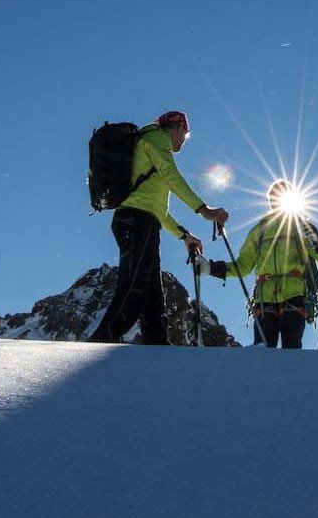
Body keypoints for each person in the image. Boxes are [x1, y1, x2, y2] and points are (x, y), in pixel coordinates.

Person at [90, 110, 229, 346]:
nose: (184, 139)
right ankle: (101, 340)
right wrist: (204, 209)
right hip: (137, 221)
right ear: (175, 127)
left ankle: (158, 347)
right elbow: (171, 174)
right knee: (136, 285)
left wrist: (184, 235)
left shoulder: (149, 152)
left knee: (152, 292)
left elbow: (159, 211)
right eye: (185, 132)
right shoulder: (155, 137)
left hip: (142, 220)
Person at [209, 181, 318, 348]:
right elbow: (244, 265)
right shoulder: (260, 230)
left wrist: (314, 238)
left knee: (286, 346)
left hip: (289, 295)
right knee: (268, 348)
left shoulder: (300, 227)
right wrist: (214, 268)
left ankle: (282, 372)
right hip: (268, 297)